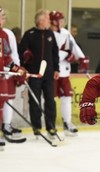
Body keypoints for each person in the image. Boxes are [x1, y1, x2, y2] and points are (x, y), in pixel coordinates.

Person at [18, 9, 60, 139]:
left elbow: (55, 52)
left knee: (50, 101)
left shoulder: (50, 34)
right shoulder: (29, 34)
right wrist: (25, 66)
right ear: (40, 20)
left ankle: (51, 127)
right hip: (34, 74)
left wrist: (56, 69)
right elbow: (21, 53)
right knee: (35, 102)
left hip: (48, 75)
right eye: (47, 18)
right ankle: (36, 128)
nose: (49, 20)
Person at [50, 10, 89, 136]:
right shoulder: (48, 34)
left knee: (66, 97)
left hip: (65, 72)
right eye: (60, 20)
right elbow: (51, 54)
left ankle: (67, 123)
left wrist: (81, 58)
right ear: (54, 22)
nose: (62, 22)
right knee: (50, 99)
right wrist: (66, 55)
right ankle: (49, 125)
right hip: (52, 72)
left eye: (62, 20)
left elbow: (74, 47)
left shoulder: (66, 33)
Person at [0, 7, 27, 147]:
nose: (4, 20)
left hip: (2, 76)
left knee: (2, 102)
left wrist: (17, 69)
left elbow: (7, 57)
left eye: (4, 17)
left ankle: (5, 127)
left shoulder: (4, 35)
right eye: (2, 17)